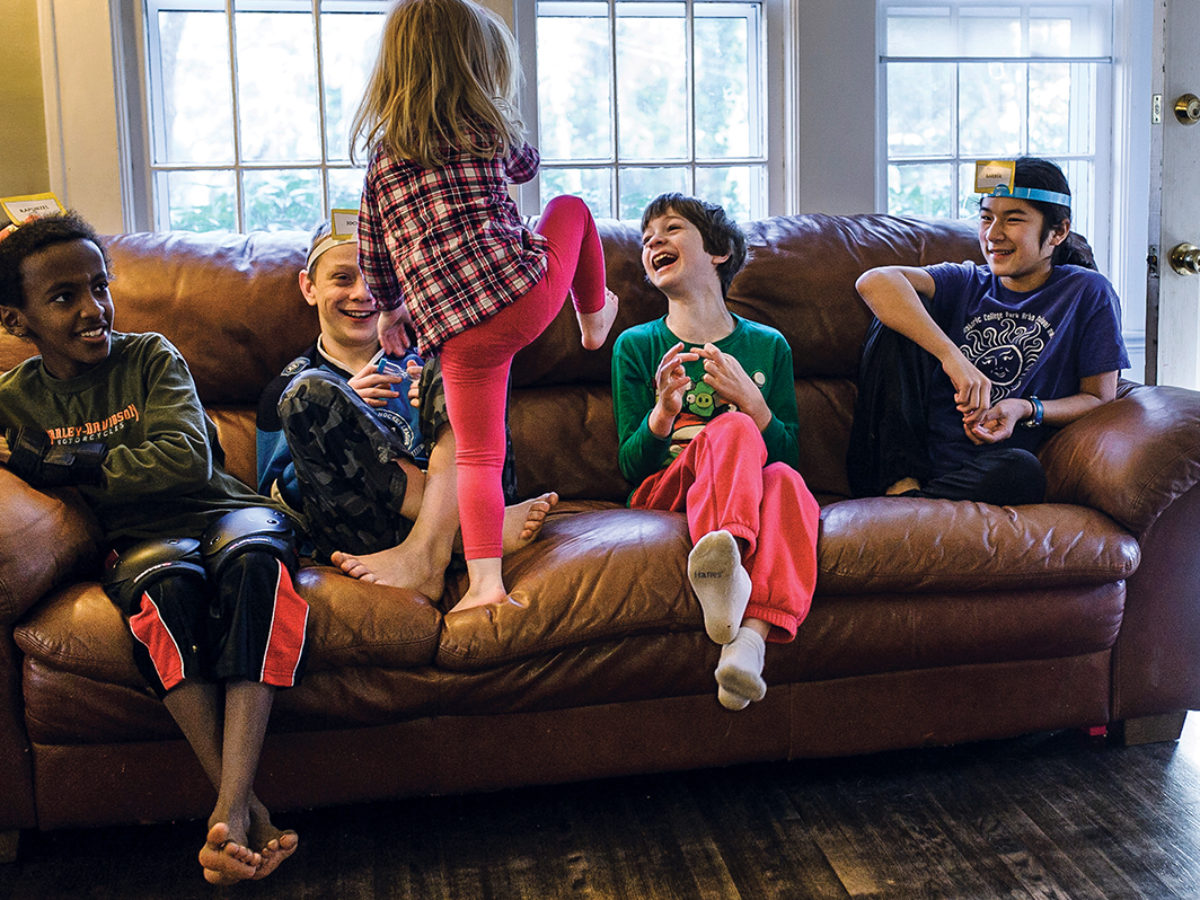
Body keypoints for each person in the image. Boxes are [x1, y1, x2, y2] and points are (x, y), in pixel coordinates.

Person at [0, 213, 306, 886]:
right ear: (17, 322)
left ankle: (227, 807)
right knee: (164, 586)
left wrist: (64, 459)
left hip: (228, 512)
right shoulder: (13, 400)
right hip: (141, 542)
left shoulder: (150, 355)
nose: (92, 308)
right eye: (62, 297)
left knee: (257, 560)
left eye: (98, 286)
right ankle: (243, 807)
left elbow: (187, 463)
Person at [350, 0, 620, 613]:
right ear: (479, 68)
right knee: (572, 208)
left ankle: (483, 585)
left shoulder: (383, 161)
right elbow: (530, 165)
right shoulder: (487, 130)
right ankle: (594, 314)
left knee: (477, 453)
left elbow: (375, 253)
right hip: (517, 298)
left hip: (453, 332)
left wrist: (392, 312)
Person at [256, 221, 557, 600]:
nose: (362, 294)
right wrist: (341, 423)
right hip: (370, 537)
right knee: (309, 394)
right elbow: (275, 504)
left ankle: (431, 543)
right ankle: (469, 532)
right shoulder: (289, 388)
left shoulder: (427, 360)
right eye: (343, 279)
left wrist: (450, 395)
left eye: (374, 280)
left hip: (467, 491)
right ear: (309, 287)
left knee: (461, 354)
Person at [611, 193, 820, 711]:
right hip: (669, 489)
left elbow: (790, 458)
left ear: (719, 252)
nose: (653, 241)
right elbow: (630, 468)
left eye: (672, 228)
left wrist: (755, 403)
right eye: (646, 238)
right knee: (731, 431)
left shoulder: (768, 345)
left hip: (745, 493)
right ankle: (724, 557)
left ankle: (746, 642)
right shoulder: (636, 346)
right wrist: (661, 414)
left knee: (789, 485)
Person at [849, 157, 1130, 506]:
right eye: (986, 218)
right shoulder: (969, 280)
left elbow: (1100, 398)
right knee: (897, 314)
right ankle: (902, 488)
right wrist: (953, 358)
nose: (993, 234)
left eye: (1013, 219)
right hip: (906, 457)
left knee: (1022, 471)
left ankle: (914, 505)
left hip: (992, 467)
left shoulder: (1086, 292)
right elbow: (874, 280)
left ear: (1058, 231)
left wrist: (1025, 409)